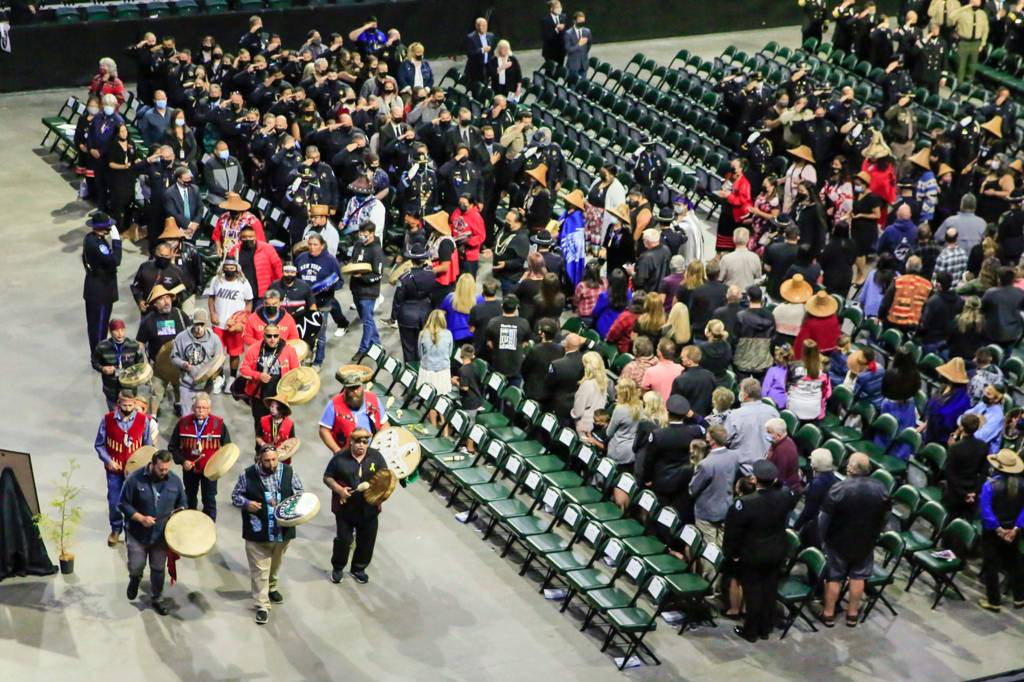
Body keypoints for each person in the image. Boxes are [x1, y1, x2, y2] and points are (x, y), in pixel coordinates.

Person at [723, 460, 799, 642]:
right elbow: (792, 496)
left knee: (753, 592)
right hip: (777, 550)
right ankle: (765, 627)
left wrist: (731, 554)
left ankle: (752, 631)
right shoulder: (785, 496)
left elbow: (733, 533)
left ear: (755, 479)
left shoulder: (745, 503)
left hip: (753, 554)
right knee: (770, 589)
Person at [231, 446, 304, 625]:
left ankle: (272, 587)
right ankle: (262, 605)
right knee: (259, 571)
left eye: (274, 460)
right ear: (259, 460)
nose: (271, 464)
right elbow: (235, 496)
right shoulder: (247, 475)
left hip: (282, 533)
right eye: (267, 461)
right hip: (258, 532)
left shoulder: (288, 472)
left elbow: (300, 493)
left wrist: (292, 506)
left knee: (275, 565)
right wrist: (247, 503)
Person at [818, 453, 892, 626]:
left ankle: (828, 613)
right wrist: (877, 531)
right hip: (865, 541)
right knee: (858, 577)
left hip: (838, 541)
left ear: (851, 468)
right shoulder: (881, 489)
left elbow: (824, 518)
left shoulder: (839, 489)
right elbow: (887, 515)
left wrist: (822, 539)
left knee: (834, 577)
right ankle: (852, 614)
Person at [118, 450, 185, 617]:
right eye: (161, 469)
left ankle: (157, 598)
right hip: (137, 533)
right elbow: (123, 504)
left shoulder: (175, 482)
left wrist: (179, 515)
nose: (164, 472)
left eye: (166, 469)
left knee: (158, 569)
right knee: (136, 565)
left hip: (161, 536)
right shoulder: (134, 479)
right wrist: (141, 518)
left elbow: (182, 504)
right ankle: (135, 579)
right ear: (153, 464)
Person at [322, 427, 388, 585]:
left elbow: (385, 477)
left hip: (369, 509)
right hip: (345, 509)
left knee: (367, 541)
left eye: (365, 442)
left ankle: (359, 568)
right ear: (351, 441)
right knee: (344, 540)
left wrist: (380, 493)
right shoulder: (339, 458)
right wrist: (339, 489)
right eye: (358, 441)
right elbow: (327, 477)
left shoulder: (376, 457)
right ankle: (338, 568)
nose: (361, 445)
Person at [95, 389, 157, 547]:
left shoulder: (143, 420)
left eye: (131, 405)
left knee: (135, 502)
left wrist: (146, 464)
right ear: (118, 404)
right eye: (125, 405)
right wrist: (108, 460)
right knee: (114, 501)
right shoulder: (107, 420)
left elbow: (147, 445)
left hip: (136, 472)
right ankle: (116, 529)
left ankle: (132, 531)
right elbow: (99, 445)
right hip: (114, 470)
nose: (128, 408)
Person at [167, 392, 230, 520]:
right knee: (189, 496)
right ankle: (191, 525)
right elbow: (172, 447)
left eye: (204, 408)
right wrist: (183, 461)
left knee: (209, 498)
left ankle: (209, 527)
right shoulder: (183, 423)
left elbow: (227, 448)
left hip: (210, 471)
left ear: (209, 409)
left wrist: (219, 466)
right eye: (198, 407)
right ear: (192, 408)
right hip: (190, 469)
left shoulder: (218, 424)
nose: (201, 410)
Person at [977, 448, 1024, 611]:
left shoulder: (989, 486)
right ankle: (1019, 597)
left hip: (992, 532)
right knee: (1014, 563)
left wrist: (998, 529)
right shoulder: (1022, 485)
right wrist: (1015, 528)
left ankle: (994, 601)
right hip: (1013, 531)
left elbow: (986, 510)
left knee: (991, 565)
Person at [239, 324, 300, 433]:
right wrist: (258, 375)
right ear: (264, 335)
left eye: (275, 336)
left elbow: (297, 372)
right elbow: (243, 369)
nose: (272, 339)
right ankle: (261, 449)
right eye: (269, 336)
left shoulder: (289, 350)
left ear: (279, 335)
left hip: (279, 399)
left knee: (280, 429)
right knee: (260, 428)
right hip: (259, 398)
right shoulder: (254, 349)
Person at [204, 259, 253, 392]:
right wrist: (212, 314)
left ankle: (231, 377)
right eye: (227, 267)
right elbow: (211, 298)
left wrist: (242, 320)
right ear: (223, 267)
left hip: (235, 326)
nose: (229, 269)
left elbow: (249, 302)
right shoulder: (216, 280)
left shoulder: (243, 282)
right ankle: (218, 377)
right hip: (218, 324)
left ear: (237, 268)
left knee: (234, 353)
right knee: (217, 354)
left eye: (232, 267)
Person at [688, 424, 739, 548]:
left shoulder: (706, 464)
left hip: (707, 512)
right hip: (726, 508)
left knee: (708, 551)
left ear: (712, 441)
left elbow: (692, 489)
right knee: (721, 548)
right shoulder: (734, 456)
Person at [319, 370, 390, 454]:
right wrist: (337, 450)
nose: (355, 391)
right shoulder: (334, 404)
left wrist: (378, 443)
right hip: (347, 452)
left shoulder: (373, 399)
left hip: (372, 449)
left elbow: (385, 424)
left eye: (357, 387)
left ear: (362, 386)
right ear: (345, 389)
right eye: (351, 388)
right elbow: (323, 430)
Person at [170, 309, 225, 414]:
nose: (199, 328)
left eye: (202, 324)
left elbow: (220, 360)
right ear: (192, 323)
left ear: (206, 323)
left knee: (203, 416)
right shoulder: (181, 338)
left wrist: (215, 374)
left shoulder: (214, 339)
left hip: (206, 386)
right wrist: (183, 364)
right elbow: (173, 358)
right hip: (187, 384)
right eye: (196, 324)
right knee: (187, 416)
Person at [82, 212, 123, 353]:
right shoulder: (97, 244)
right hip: (101, 292)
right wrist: (117, 242)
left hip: (95, 289)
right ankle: (99, 355)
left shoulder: (90, 238)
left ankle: (97, 353)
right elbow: (115, 261)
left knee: (96, 325)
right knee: (99, 326)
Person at [393, 243, 438, 363]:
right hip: (426, 314)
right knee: (425, 346)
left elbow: (398, 299)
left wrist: (394, 316)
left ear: (411, 260)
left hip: (407, 316)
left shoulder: (404, 278)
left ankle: (410, 374)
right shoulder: (431, 274)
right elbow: (434, 294)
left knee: (409, 348)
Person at [349, 221, 386, 360]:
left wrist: (363, 277)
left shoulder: (377, 250)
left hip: (368, 292)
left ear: (371, 233)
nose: (362, 236)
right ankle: (377, 345)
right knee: (367, 319)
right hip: (356, 288)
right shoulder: (358, 245)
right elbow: (353, 261)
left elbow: (378, 274)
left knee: (367, 321)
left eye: (365, 234)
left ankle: (363, 349)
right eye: (360, 233)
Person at [943, 413, 990, 519]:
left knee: (948, 523)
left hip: (955, 494)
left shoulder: (955, 448)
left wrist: (963, 494)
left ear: (962, 427)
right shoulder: (983, 446)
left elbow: (949, 473)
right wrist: (973, 493)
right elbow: (984, 473)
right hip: (972, 493)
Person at [92, 319, 146, 410]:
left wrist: (134, 374)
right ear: (110, 331)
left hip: (129, 390)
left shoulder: (133, 346)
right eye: (116, 331)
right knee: (114, 415)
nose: (120, 333)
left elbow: (140, 365)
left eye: (122, 330)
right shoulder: (102, 347)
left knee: (129, 415)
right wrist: (102, 368)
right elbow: (95, 362)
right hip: (111, 389)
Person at [793, 448, 840, 547]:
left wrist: (796, 527)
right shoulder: (833, 478)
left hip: (815, 524)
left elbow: (809, 510)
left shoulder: (817, 484)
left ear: (814, 465)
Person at [484, 295, 533, 387]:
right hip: (515, 368)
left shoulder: (493, 322)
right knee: (512, 396)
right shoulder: (524, 323)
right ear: (516, 308)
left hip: (497, 366)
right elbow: (526, 343)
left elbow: (489, 343)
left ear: (502, 306)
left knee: (495, 396)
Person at [725, 379, 779, 460]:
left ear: (745, 395)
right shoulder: (773, 412)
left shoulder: (734, 416)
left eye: (741, 390)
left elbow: (724, 439)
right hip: (768, 463)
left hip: (742, 465)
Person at [418, 310, 454, 428]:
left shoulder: (423, 334)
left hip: (427, 371)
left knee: (430, 401)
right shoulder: (448, 334)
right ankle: (444, 427)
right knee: (442, 400)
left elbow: (420, 354)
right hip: (443, 372)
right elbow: (449, 353)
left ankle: (433, 427)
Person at [521, 318, 564, 404]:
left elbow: (524, 369)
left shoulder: (535, 350)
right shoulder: (561, 350)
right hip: (550, 392)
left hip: (533, 390)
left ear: (542, 334)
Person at [982, 267, 1024, 348]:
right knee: (1007, 355)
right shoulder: (1020, 293)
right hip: (1013, 333)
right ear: (1013, 280)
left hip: (993, 333)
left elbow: (982, 310)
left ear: (999, 279)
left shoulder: (990, 294)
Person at [671, 344, 717, 417]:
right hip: (706, 419)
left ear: (690, 361)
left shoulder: (680, 380)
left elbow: (675, 403)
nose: (681, 359)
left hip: (687, 420)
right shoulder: (710, 376)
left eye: (683, 357)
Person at [960, 384, 1006, 454]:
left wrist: (964, 428)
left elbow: (979, 438)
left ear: (996, 399)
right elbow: (962, 417)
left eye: (988, 394)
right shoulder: (983, 404)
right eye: (985, 391)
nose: (984, 395)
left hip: (982, 452)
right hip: (968, 440)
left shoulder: (997, 417)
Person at [572, 351, 608, 438]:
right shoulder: (604, 381)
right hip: (594, 424)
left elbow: (578, 413)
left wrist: (571, 413)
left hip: (583, 425)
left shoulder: (587, 384)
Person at [765, 418, 802, 492]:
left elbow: (779, 478)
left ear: (778, 435)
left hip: (785, 489)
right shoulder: (782, 441)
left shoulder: (783, 451)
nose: (766, 433)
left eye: (769, 432)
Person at [463, 17, 497, 84]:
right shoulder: (470, 37)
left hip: (487, 67)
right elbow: (470, 54)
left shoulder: (491, 36)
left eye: (486, 25)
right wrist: (481, 50)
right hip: (476, 69)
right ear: (477, 26)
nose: (484, 27)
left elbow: (492, 52)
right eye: (482, 25)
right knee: (477, 89)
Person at [563, 11, 592, 78]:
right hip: (573, 65)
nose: (582, 23)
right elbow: (568, 50)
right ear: (574, 21)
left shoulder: (587, 32)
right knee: (573, 86)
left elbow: (588, 45)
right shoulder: (568, 33)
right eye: (580, 21)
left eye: (583, 21)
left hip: (584, 64)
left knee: (583, 85)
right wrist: (579, 45)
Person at [541, 0, 569, 65]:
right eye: (557, 8)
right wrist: (556, 30)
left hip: (561, 50)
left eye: (560, 7)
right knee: (551, 71)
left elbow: (566, 32)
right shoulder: (545, 20)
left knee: (559, 69)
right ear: (551, 9)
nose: (560, 9)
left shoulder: (563, 17)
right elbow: (546, 37)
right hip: (550, 51)